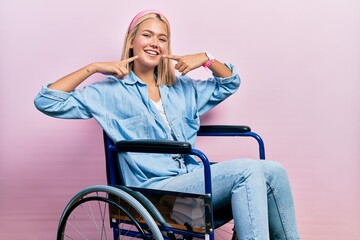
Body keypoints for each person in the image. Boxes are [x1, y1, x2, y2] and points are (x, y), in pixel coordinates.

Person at [34, 9, 300, 240]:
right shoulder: (109, 92)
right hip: (155, 197)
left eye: (162, 39)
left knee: (273, 170)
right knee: (248, 171)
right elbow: (47, 101)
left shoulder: (182, 89)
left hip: (191, 183)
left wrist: (206, 58)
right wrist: (92, 68)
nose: (155, 43)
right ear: (131, 42)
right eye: (147, 35)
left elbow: (230, 82)